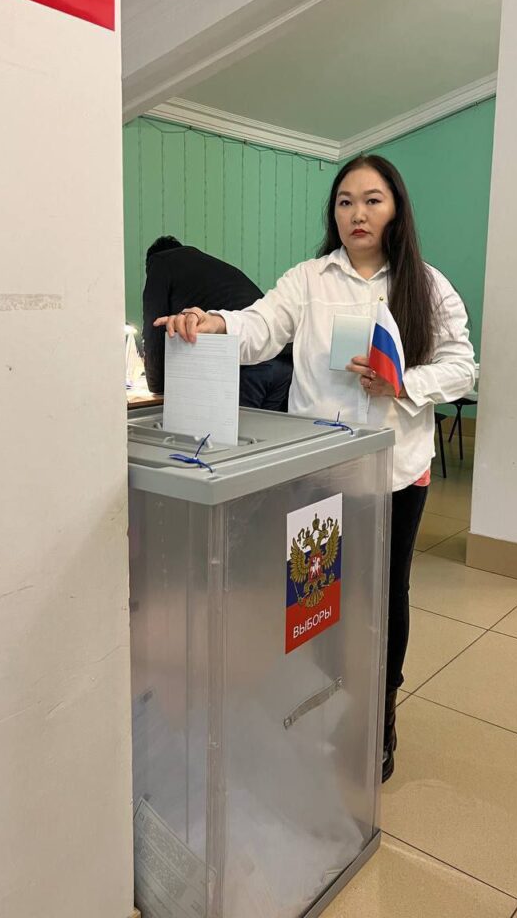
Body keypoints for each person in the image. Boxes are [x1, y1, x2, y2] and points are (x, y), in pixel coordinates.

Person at [153, 156, 476, 781]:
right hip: (319, 474)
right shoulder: (309, 278)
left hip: (395, 472)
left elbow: (462, 365)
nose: (358, 213)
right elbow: (261, 327)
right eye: (345, 201)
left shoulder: (427, 285)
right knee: (317, 596)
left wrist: (402, 383)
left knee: (385, 594)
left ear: (397, 209)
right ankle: (324, 704)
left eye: (373, 200)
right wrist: (212, 322)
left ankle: (378, 716)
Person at [142, 237, 293, 411]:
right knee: (269, 428)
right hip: (283, 362)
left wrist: (156, 385)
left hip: (248, 366)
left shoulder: (159, 262)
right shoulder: (209, 266)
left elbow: (154, 331)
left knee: (232, 429)